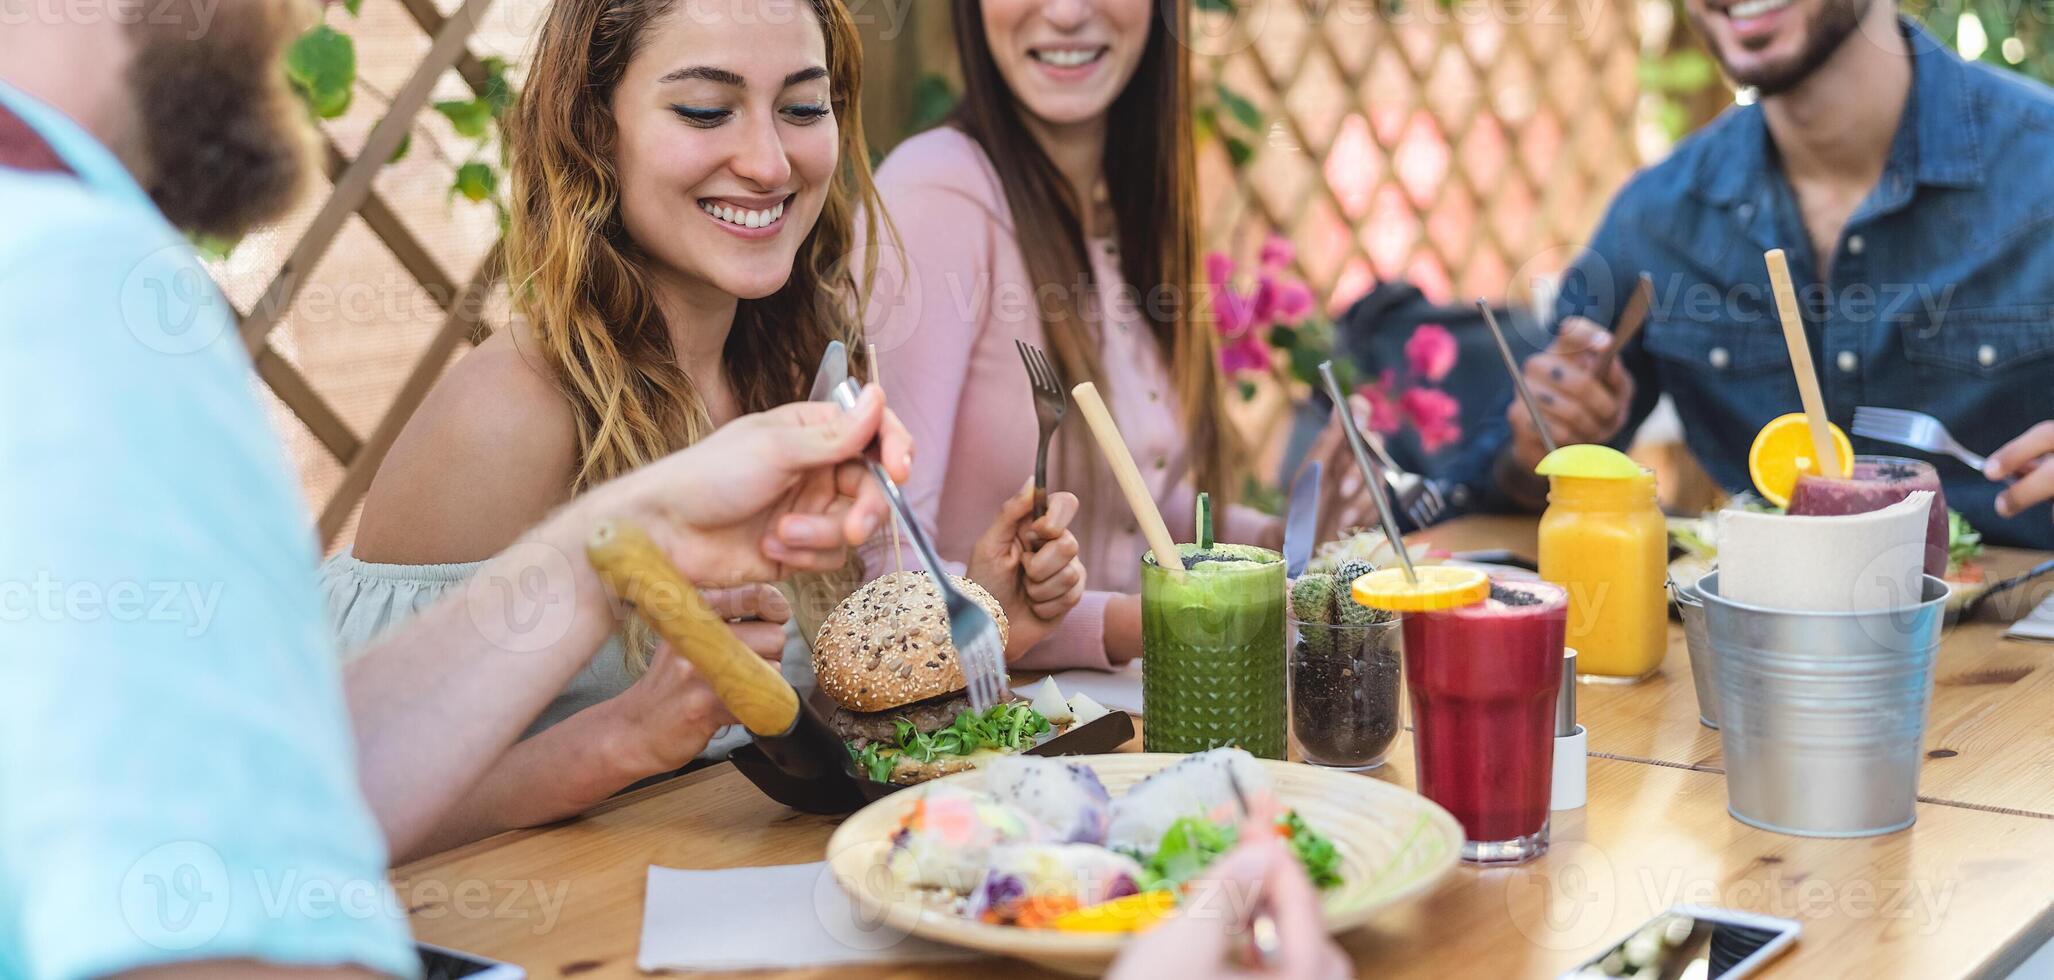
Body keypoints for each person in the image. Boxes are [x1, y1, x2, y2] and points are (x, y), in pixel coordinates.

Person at [323, 0, 1087, 854]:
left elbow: (789, 730)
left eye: (802, 107)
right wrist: (623, 737)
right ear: (594, 129)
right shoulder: (505, 417)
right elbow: (321, 807)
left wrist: (972, 626)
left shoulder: (798, 369)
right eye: (703, 110)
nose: (767, 162)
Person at [861, 0, 1371, 671]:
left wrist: (1279, 542)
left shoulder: (1117, 210)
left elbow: (1131, 516)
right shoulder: (937, 192)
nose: (1068, 12)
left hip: (1123, 727)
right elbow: (886, 577)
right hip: (994, 748)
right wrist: (1135, 623)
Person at [1492, 0, 2054, 547]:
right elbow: (1512, 480)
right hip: (1764, 632)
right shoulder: (1658, 216)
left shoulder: (2041, 165)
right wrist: (1542, 437)